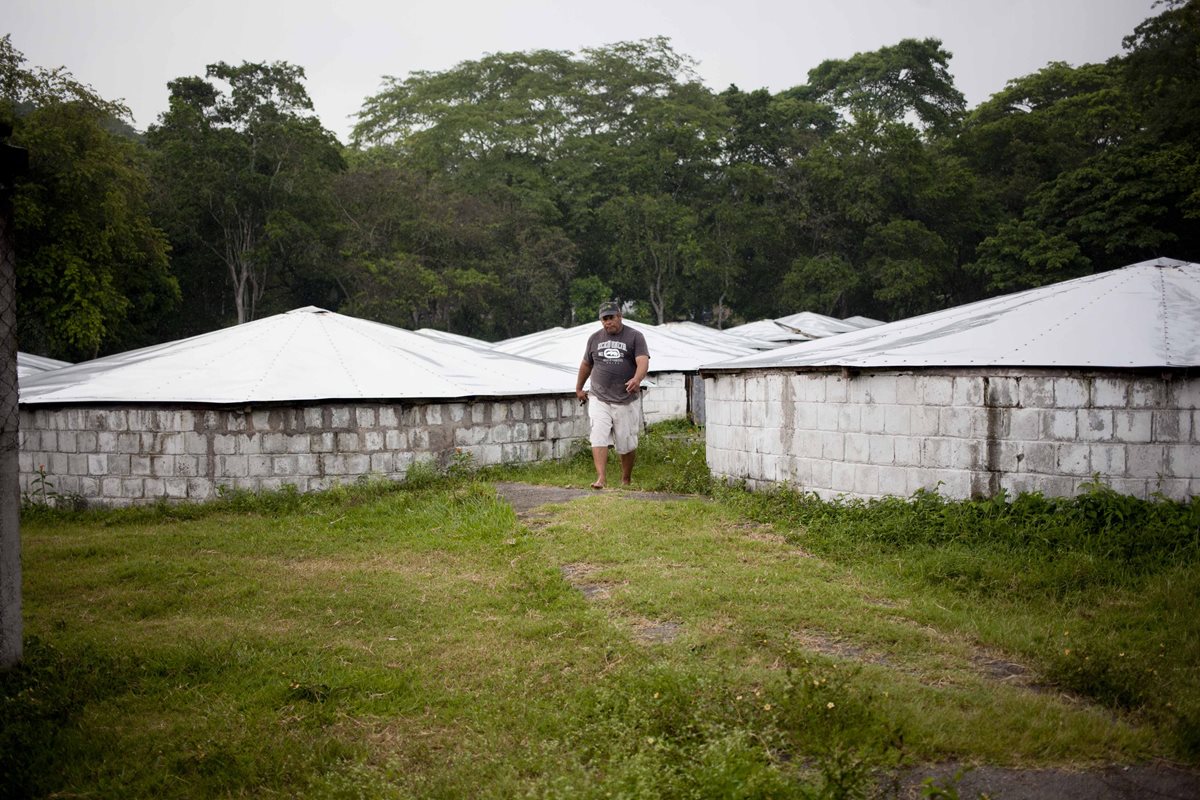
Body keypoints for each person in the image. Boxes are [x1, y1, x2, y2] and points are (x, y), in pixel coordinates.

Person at [575, 301, 650, 489]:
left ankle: (626, 478)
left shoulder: (635, 337)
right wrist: (579, 388)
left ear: (619, 316)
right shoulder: (594, 339)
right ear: (601, 321)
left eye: (611, 317)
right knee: (598, 434)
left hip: (625, 398)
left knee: (626, 441)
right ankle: (601, 478)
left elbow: (642, 361)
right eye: (604, 319)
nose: (608, 322)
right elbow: (586, 365)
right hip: (599, 396)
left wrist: (636, 379)